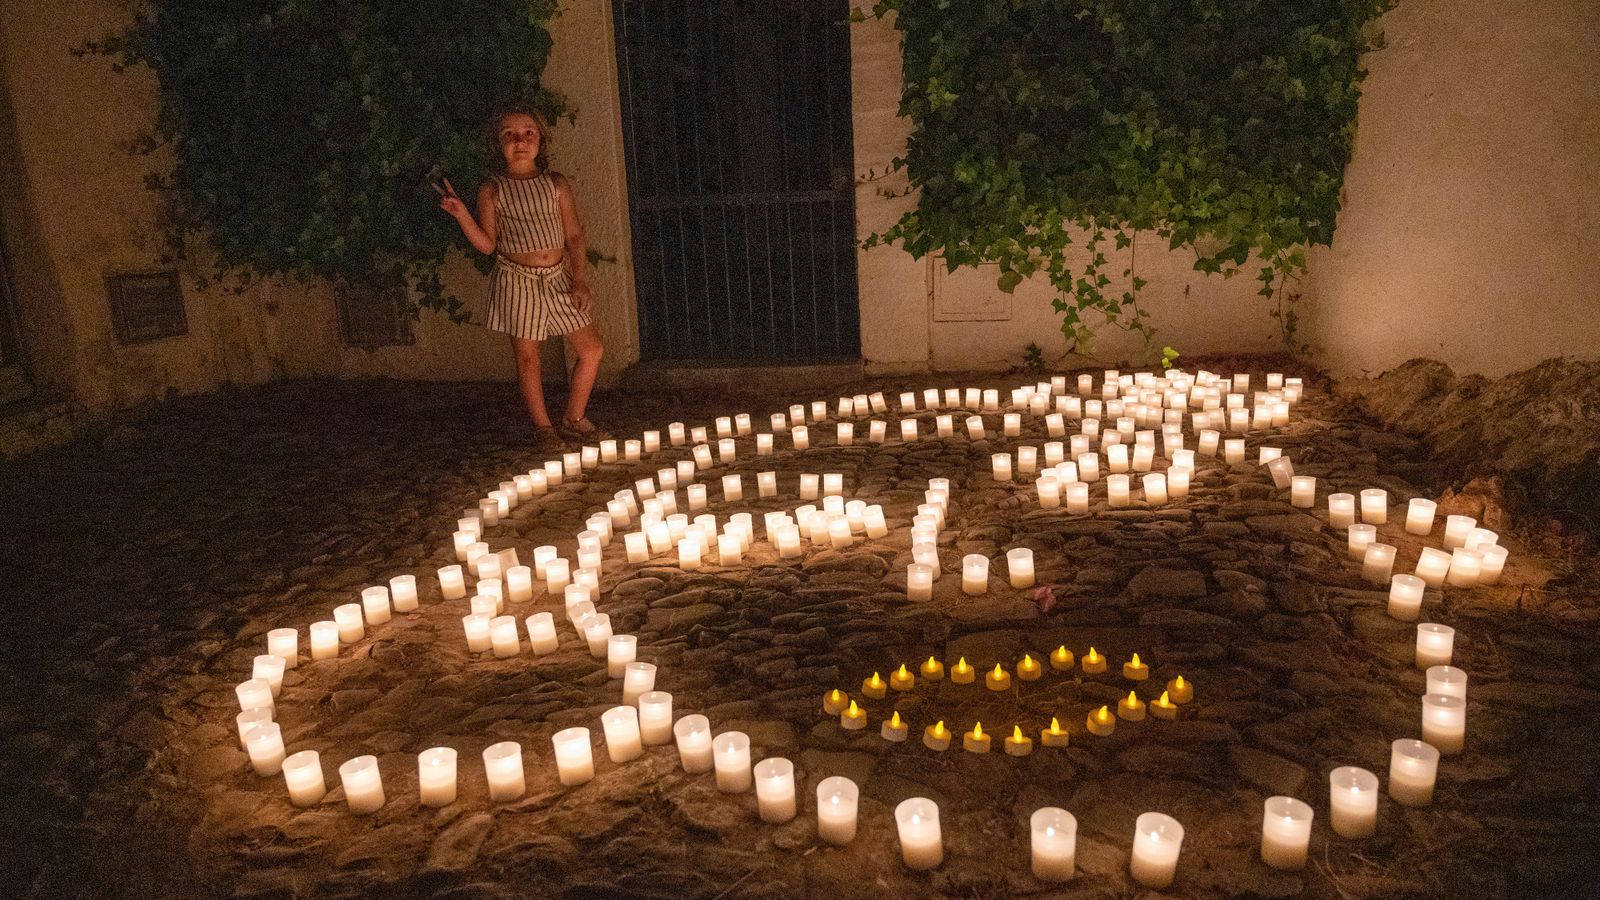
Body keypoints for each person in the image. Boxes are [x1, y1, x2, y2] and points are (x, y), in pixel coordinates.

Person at [439, 104, 604, 447]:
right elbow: (488, 245)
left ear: (541, 140)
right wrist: (461, 214)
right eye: (509, 135)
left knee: (591, 349)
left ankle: (574, 418)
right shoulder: (492, 190)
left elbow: (574, 236)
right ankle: (544, 428)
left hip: (558, 278)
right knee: (529, 358)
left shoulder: (556, 184)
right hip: (516, 281)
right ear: (497, 143)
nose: (520, 141)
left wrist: (579, 279)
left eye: (528, 133)